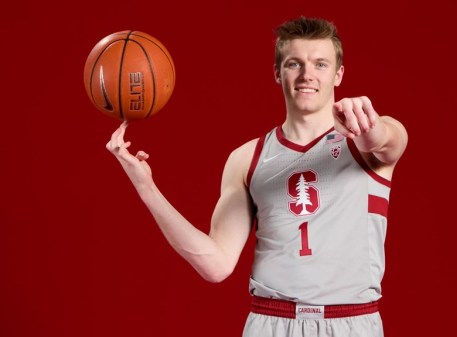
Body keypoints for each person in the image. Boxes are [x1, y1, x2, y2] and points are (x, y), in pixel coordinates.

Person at [106, 16, 408, 337]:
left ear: (338, 74)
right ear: (278, 73)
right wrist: (147, 188)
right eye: (295, 63)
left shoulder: (367, 143)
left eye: (320, 64)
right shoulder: (247, 158)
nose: (307, 75)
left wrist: (366, 124)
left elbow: (386, 140)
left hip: (350, 322)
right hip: (271, 322)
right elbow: (215, 264)